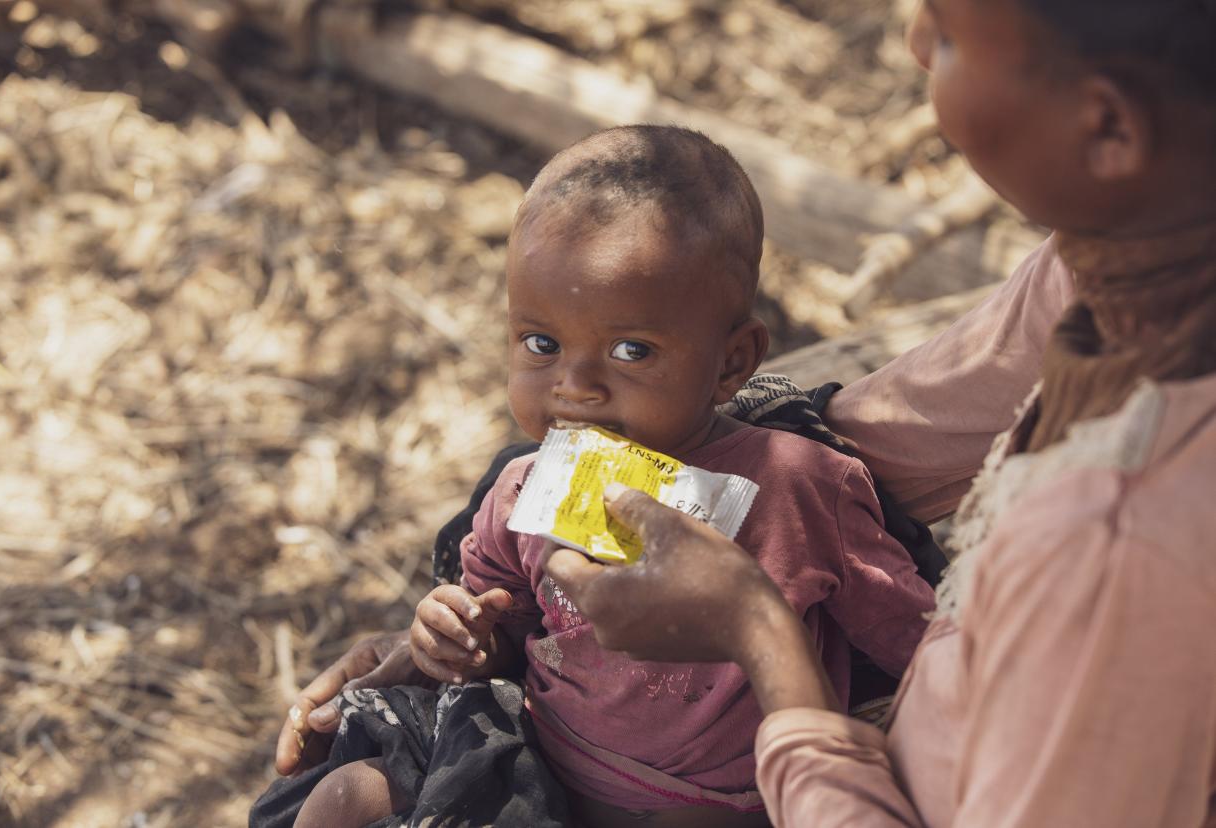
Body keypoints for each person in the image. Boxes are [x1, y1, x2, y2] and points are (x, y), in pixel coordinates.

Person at [540, 0, 1216, 825]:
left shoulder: (1127, 548)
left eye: (953, 33)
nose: (916, 46)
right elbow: (943, 402)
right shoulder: (1126, 261)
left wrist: (757, 626)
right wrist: (766, 459)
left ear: (1108, 129)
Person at [281, 125, 937, 828]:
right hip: (537, 767)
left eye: (631, 350)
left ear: (732, 362)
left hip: (714, 803)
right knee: (342, 799)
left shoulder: (803, 490)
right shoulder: (522, 491)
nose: (575, 387)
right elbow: (509, 628)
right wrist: (460, 639)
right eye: (541, 343)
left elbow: (920, 644)